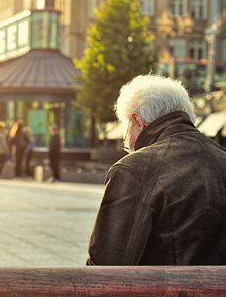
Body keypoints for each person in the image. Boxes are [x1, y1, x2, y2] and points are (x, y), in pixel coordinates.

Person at [87, 74, 226, 266]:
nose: (126, 142)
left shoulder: (133, 170)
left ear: (137, 121)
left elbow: (106, 265)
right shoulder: (222, 158)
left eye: (126, 131)